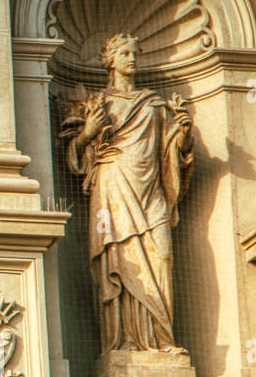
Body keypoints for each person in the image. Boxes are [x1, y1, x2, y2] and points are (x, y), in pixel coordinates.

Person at [63, 33, 194, 354]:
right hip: (112, 187)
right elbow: (74, 155)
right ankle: (121, 343)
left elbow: (172, 154)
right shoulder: (96, 103)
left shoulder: (154, 104)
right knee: (117, 259)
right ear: (108, 59)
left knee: (162, 255)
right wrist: (88, 133)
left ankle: (163, 340)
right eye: (123, 53)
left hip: (151, 190)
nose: (131, 58)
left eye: (135, 52)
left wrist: (185, 136)